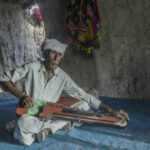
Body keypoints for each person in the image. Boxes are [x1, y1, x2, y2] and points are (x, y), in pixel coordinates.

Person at [0, 39, 129, 146]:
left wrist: (110, 110)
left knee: (83, 105)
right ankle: (59, 124)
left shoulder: (62, 76)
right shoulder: (31, 68)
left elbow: (83, 94)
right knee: (25, 138)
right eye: (53, 53)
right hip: (32, 115)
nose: (56, 58)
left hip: (52, 114)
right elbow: (4, 78)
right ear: (44, 54)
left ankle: (49, 129)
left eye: (60, 55)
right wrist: (22, 96)